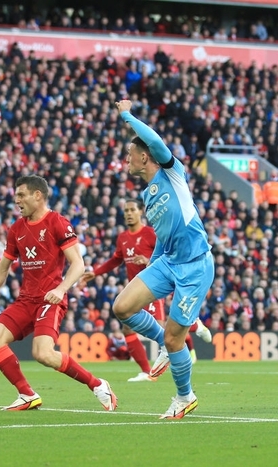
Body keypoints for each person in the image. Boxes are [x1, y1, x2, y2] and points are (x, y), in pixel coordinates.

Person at [0, 175, 117, 412]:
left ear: (37, 195)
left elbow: (78, 264)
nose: (17, 200)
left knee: (43, 354)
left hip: (50, 300)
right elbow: (3, 268)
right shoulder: (17, 229)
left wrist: (61, 289)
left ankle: (98, 385)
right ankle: (27, 394)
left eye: (21, 195)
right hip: (25, 300)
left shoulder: (57, 223)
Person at [112, 100, 214, 419]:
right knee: (122, 307)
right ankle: (164, 349)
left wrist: (127, 116)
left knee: (175, 338)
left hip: (195, 265)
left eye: (130, 154)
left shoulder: (173, 173)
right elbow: (162, 237)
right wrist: (151, 267)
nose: (127, 160)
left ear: (145, 156)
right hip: (168, 261)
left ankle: (184, 397)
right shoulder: (147, 195)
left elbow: (156, 142)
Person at [82, 199, 212, 382]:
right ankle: (146, 371)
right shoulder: (122, 238)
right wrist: (95, 273)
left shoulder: (150, 233)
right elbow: (115, 260)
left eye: (131, 210)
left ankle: (194, 326)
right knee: (128, 329)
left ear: (140, 212)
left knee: (162, 330)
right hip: (135, 289)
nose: (128, 213)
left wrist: (148, 260)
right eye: (125, 210)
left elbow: (168, 254)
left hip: (152, 288)